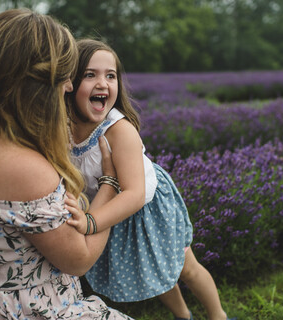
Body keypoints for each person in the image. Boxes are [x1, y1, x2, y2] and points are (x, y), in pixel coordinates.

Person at [0, 9, 134, 320]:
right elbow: (78, 260)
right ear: (35, 87)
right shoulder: (23, 167)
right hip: (32, 310)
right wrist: (110, 184)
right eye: (64, 77)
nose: (69, 87)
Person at [65, 39, 233, 320]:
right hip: (111, 210)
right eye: (90, 74)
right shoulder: (65, 128)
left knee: (185, 267)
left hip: (147, 205)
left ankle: (219, 316)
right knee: (154, 270)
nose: (103, 83)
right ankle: (184, 317)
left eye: (111, 75)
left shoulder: (119, 130)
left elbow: (133, 194)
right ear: (68, 83)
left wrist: (92, 222)